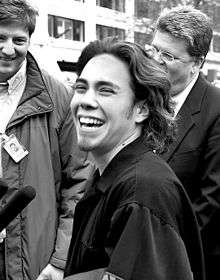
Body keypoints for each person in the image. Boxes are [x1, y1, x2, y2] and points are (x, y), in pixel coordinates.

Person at [63, 37, 205, 280]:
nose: (86, 101)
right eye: (81, 87)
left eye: (106, 90)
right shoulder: (110, 175)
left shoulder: (144, 190)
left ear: (142, 109)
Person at [0, 0, 93, 279]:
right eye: (0, 38)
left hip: (33, 259)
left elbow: (78, 183)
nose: (8, 49)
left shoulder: (59, 98)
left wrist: (60, 259)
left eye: (19, 40)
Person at [147, 5, 220, 280]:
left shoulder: (215, 110)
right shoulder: (142, 98)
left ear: (197, 63)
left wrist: (167, 253)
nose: (155, 60)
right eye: (154, 49)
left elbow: (211, 200)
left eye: (167, 55)